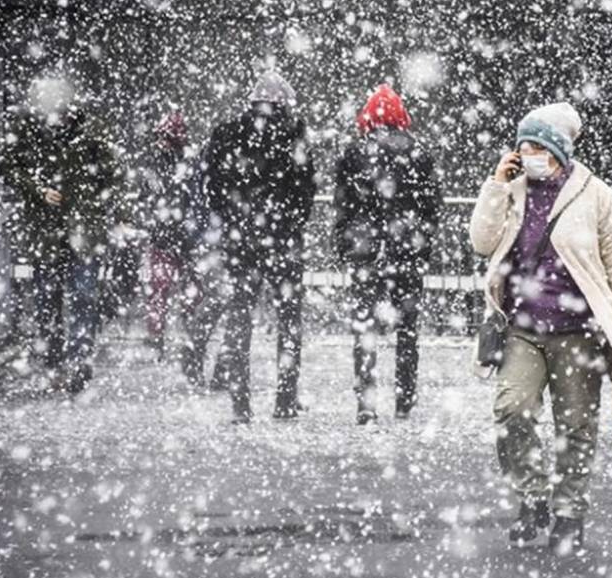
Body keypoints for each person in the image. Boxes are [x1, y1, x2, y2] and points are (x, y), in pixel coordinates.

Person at [468, 102, 612, 552]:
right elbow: (481, 241)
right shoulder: (512, 191)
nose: (528, 154)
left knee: (575, 427)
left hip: (578, 332)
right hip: (523, 328)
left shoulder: (596, 196)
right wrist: (496, 184)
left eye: (536, 146)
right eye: (522, 147)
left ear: (557, 149)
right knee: (512, 411)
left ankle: (569, 514)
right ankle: (532, 497)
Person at [187, 70, 316, 422]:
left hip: (240, 242)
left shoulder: (227, 133)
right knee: (289, 319)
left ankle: (240, 403)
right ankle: (285, 399)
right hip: (282, 241)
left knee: (239, 316)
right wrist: (287, 224)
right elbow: (306, 190)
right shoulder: (294, 136)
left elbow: (211, 185)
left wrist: (231, 221)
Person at [0, 78, 124, 394]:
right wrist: (37, 189)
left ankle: (78, 362)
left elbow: (115, 175)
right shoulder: (27, 130)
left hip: (83, 230)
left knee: (83, 296)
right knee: (47, 301)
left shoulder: (92, 131)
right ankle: (56, 361)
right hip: (45, 232)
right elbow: (7, 167)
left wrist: (92, 202)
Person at [333, 84, 442, 424]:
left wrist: (345, 244)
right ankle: (404, 399)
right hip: (407, 250)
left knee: (364, 328)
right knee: (407, 330)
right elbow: (431, 208)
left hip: (366, 252)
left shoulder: (353, 153)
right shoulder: (419, 153)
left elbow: (343, 206)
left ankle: (366, 403)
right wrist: (422, 243)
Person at [142, 111, 194, 356]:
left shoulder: (159, 163)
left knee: (162, 289)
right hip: (175, 235)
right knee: (169, 288)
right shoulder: (184, 162)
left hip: (170, 234)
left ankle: (163, 334)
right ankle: (180, 332)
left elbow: (150, 196)